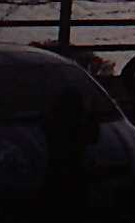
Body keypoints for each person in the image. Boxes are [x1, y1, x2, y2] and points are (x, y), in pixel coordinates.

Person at [42, 84, 98, 213]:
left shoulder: (51, 122)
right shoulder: (75, 127)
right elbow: (93, 136)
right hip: (74, 177)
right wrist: (92, 114)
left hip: (55, 177)